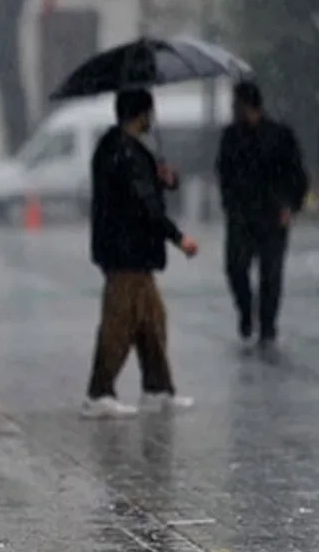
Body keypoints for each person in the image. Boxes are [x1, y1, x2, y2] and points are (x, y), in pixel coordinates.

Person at [83, 89, 199, 419]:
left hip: (132, 253)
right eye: (150, 112)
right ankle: (98, 393)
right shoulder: (124, 152)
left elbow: (145, 189)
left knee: (151, 321)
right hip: (126, 254)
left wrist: (165, 178)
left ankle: (157, 388)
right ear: (141, 114)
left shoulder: (123, 150)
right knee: (118, 325)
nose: (153, 119)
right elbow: (144, 204)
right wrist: (179, 238)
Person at [216, 82, 309, 349]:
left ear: (247, 105)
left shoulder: (279, 136)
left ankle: (267, 326)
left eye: (236, 103)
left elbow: (296, 174)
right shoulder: (231, 137)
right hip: (241, 214)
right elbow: (223, 172)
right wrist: (229, 204)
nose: (233, 109)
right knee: (236, 268)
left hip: (272, 213)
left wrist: (290, 205)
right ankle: (246, 311)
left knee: (271, 273)